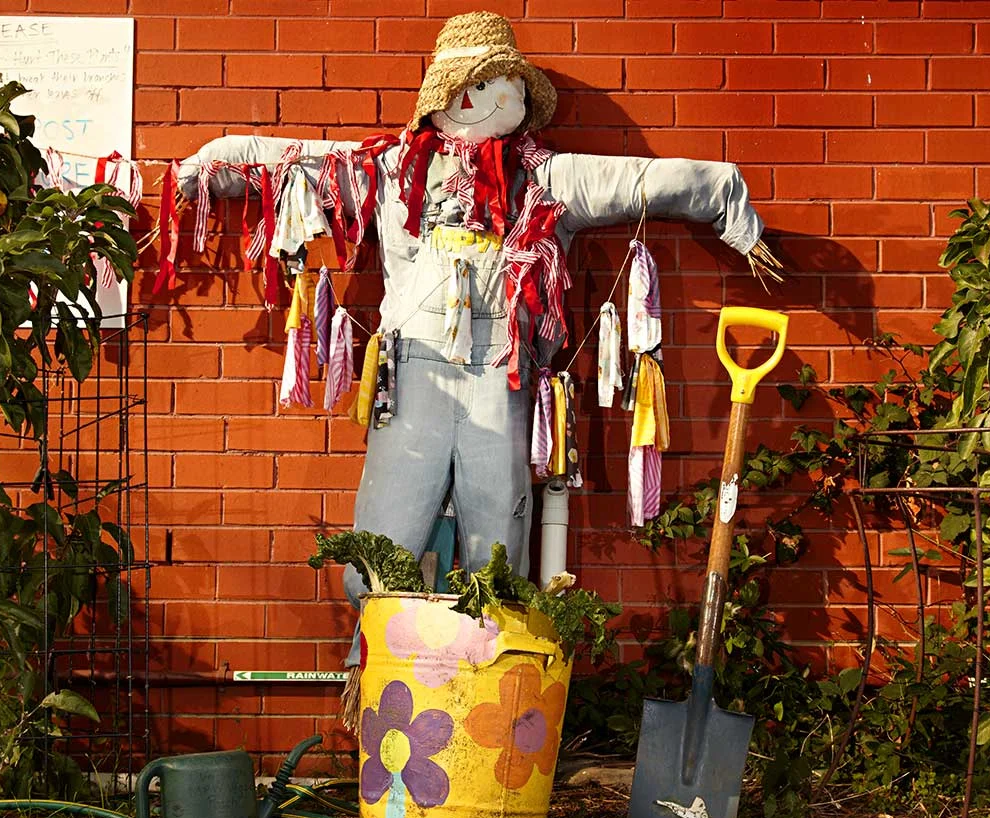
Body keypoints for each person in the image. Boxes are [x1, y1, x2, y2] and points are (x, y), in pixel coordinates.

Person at [175, 11, 771, 682]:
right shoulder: (390, 168)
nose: (478, 100)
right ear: (439, 97)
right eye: (466, 86)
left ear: (519, 100)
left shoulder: (546, 178)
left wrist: (730, 204)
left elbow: (640, 180)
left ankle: (489, 678)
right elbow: (283, 160)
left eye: (495, 86)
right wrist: (202, 169)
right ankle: (378, 668)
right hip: (413, 376)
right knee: (387, 526)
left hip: (501, 375)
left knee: (498, 533)